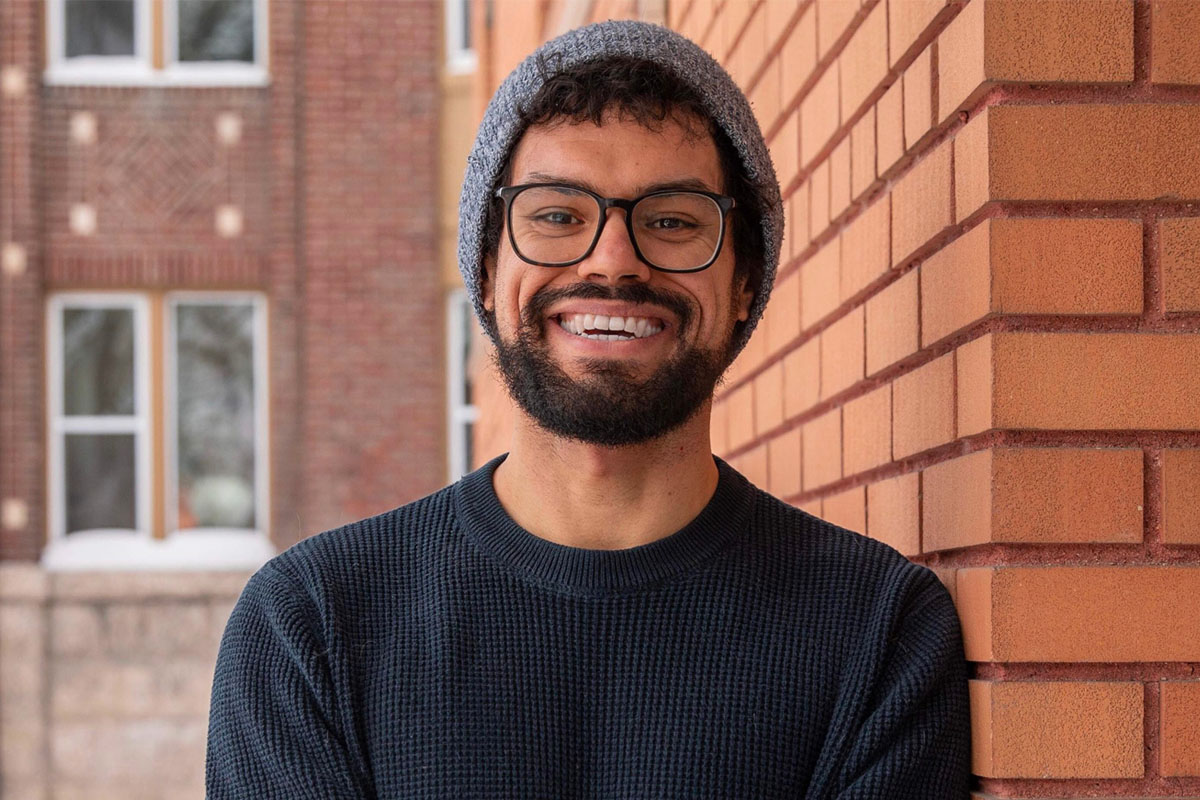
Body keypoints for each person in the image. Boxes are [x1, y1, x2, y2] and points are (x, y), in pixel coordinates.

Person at [206, 20, 971, 799]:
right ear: (486, 265)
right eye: (556, 215)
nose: (612, 260)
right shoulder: (312, 629)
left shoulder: (875, 633)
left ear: (744, 284)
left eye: (672, 221)